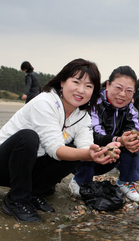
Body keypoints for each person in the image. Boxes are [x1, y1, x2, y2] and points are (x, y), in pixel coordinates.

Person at [0, 58, 120, 222]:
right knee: (27, 137)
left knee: (75, 152)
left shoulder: (83, 116)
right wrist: (86, 154)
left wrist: (100, 151)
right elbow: (55, 149)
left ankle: (34, 193)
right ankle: (16, 199)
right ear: (62, 82)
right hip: (5, 165)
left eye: (88, 86)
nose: (81, 90)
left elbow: (86, 146)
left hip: (28, 169)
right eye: (76, 82)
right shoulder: (45, 102)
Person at [69, 66, 139, 202]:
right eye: (118, 88)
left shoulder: (132, 110)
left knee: (132, 139)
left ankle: (125, 182)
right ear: (108, 85)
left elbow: (130, 130)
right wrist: (118, 140)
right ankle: (80, 180)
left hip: (110, 156)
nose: (122, 94)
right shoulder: (93, 102)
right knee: (89, 142)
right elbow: (92, 132)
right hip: (80, 156)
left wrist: (131, 140)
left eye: (129, 91)